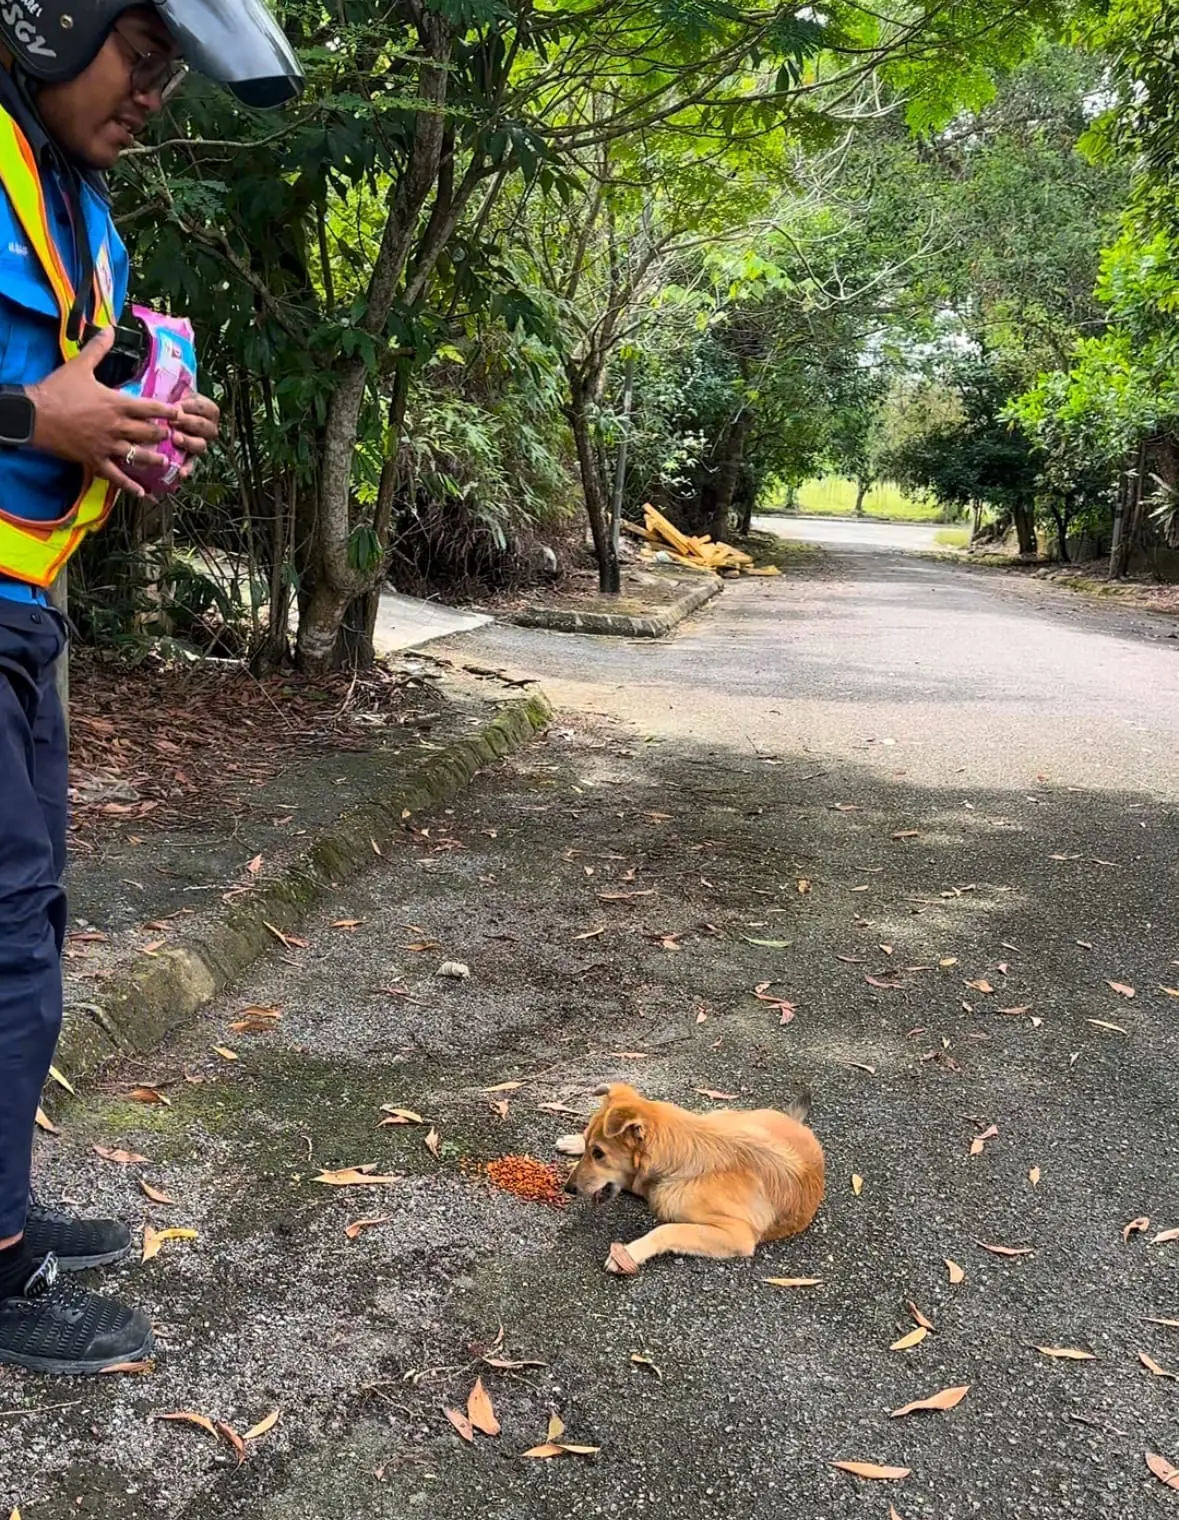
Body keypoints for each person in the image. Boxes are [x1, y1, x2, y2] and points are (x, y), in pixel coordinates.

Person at [0, 0, 301, 1375]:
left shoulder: (85, 211)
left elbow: (69, 386)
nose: (152, 93)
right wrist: (32, 416)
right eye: (141, 52)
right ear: (51, 19)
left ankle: (4, 1204)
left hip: (26, 612)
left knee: (32, 928)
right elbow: (30, 404)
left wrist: (139, 415)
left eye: (172, 71)